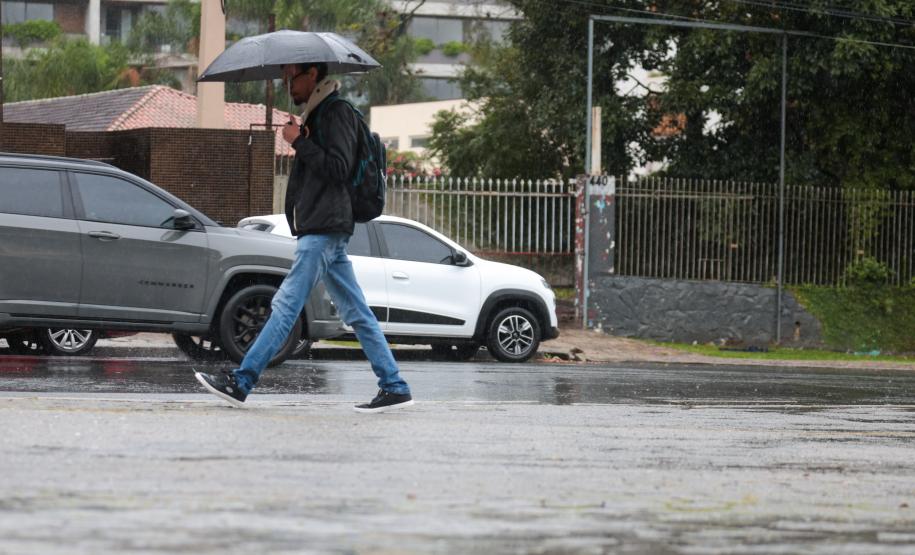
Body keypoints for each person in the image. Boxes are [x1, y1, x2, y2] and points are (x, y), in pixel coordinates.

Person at [195, 62, 413, 413]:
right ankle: (395, 386)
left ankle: (241, 381)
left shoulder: (336, 112)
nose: (287, 84)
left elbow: (339, 168)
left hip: (325, 227)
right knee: (357, 312)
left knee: (284, 306)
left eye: (291, 76)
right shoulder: (319, 115)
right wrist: (305, 137)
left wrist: (300, 143)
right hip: (324, 227)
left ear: (312, 74)